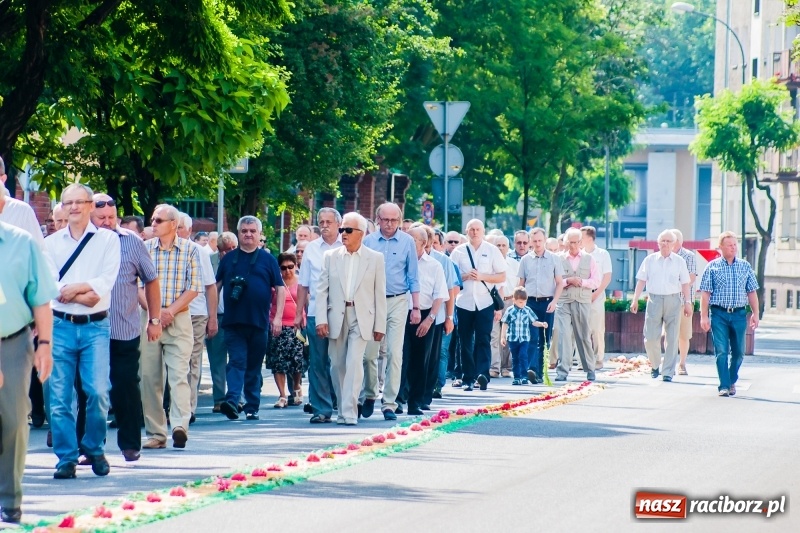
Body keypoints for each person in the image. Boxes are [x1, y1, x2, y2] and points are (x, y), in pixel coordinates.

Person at [44, 183, 121, 479]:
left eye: (80, 202)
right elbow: (51, 284)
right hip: (60, 325)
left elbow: (106, 280)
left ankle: (94, 447)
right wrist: (82, 292)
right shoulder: (51, 244)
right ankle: (66, 458)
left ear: (91, 205)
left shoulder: (108, 240)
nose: (74, 207)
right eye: (69, 203)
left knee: (98, 391)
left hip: (95, 326)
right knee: (60, 397)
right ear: (63, 207)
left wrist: (72, 289)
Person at [0, 185, 58, 524]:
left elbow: (40, 298)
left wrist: (45, 344)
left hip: (12, 341)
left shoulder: (21, 243)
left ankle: (10, 498)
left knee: (13, 418)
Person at [90, 194, 161, 463]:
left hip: (124, 328)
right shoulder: (83, 242)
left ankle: (130, 444)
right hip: (89, 328)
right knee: (90, 388)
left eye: (111, 217)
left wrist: (154, 319)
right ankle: (90, 446)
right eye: (101, 218)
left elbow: (151, 279)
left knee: (126, 386)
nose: (107, 222)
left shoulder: (131, 242)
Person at [140, 204, 202, 450]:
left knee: (178, 374)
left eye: (158, 220)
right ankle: (156, 433)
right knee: (149, 377)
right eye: (152, 219)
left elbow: (194, 287)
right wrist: (156, 314)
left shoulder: (190, 249)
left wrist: (169, 312)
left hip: (179, 318)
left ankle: (179, 426)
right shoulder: (144, 248)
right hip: (148, 319)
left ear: (174, 224)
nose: (153, 224)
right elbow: (136, 285)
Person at [316, 212, 387, 425]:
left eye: (348, 230)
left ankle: (349, 411)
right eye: (342, 230)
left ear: (361, 233)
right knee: (337, 365)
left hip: (361, 316)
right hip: (336, 315)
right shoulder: (330, 256)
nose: (343, 234)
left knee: (355, 362)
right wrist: (321, 319)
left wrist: (380, 325)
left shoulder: (375, 258)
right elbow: (321, 290)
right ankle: (342, 408)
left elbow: (379, 293)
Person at [216, 216, 285, 420]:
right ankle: (232, 400)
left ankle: (252, 406)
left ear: (259, 234)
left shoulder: (268, 259)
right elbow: (215, 287)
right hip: (233, 321)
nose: (248, 234)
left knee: (254, 366)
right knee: (236, 361)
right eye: (244, 231)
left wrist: (278, 318)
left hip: (259, 322)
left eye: (252, 231)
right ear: (238, 233)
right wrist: (211, 315)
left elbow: (280, 288)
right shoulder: (228, 259)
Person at [363, 202, 419, 420]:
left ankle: (389, 403)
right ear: (378, 219)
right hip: (372, 302)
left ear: (399, 220)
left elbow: (413, 276)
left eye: (394, 220)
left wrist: (416, 307)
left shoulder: (407, 242)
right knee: (369, 354)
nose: (389, 224)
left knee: (395, 354)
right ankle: (369, 393)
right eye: (385, 219)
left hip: (398, 300)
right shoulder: (368, 241)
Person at [295, 208, 342, 424]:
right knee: (318, 362)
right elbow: (303, 284)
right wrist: (299, 314)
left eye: (328, 222)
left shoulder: (347, 246)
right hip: (316, 312)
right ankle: (321, 408)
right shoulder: (312, 249)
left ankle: (342, 402)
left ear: (338, 224)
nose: (324, 225)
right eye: (321, 222)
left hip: (342, 312)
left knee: (339, 361)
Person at [699, 231, 759, 397]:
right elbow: (705, 293)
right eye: (729, 245)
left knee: (739, 352)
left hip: (739, 314)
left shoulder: (745, 266)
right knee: (721, 351)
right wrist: (703, 316)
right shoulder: (712, 267)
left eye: (735, 244)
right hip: (719, 314)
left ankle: (731, 379)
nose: (733, 248)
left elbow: (752, 292)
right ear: (721, 247)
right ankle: (724, 386)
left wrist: (755, 313)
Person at [449, 219, 506, 391]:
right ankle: (467, 377)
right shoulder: (458, 252)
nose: (474, 232)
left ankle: (482, 375)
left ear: (483, 231)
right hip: (463, 302)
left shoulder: (492, 250)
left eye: (478, 229)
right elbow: (451, 277)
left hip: (485, 302)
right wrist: (466, 276)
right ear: (466, 231)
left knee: (483, 339)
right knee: (465, 341)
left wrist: (482, 276)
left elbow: (502, 276)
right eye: (471, 229)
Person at [630, 230, 692, 382]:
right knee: (650, 337)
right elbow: (641, 280)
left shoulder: (679, 261)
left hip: (673, 300)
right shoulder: (650, 260)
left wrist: (687, 302)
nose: (665, 243)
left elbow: (685, 283)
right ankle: (655, 364)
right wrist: (635, 299)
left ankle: (668, 372)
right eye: (662, 241)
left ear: (674, 244)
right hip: (654, 300)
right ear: (658, 243)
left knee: (672, 338)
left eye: (668, 241)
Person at [401, 227, 447, 415]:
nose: (408, 243)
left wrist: (430, 319)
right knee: (401, 358)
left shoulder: (434, 265)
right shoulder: (400, 262)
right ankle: (397, 400)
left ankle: (415, 402)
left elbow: (440, 294)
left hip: (425, 314)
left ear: (424, 243)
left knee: (421, 360)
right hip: (401, 313)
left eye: (413, 240)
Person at [177, 213, 218, 422]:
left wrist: (213, 317)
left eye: (179, 227)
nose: (175, 231)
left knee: (192, 360)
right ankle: (172, 404)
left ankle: (188, 408)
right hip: (168, 314)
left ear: (189, 230)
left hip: (195, 313)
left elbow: (210, 286)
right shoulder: (157, 248)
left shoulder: (199, 251)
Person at [517, 227, 563, 384]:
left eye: (540, 241)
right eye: (534, 241)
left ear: (544, 240)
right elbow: (521, 284)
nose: (537, 244)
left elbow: (559, 283)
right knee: (532, 337)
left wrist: (554, 301)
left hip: (547, 302)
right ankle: (532, 369)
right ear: (531, 241)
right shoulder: (525, 260)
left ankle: (540, 372)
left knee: (545, 338)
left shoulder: (554, 259)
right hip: (530, 303)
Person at [553, 228, 598, 382]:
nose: (572, 245)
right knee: (564, 335)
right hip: (564, 301)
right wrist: (568, 281)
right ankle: (562, 371)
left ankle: (590, 369)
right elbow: (554, 281)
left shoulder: (589, 259)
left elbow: (596, 281)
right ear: (565, 242)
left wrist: (582, 282)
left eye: (575, 242)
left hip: (582, 301)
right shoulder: (558, 258)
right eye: (570, 242)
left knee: (583, 335)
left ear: (580, 242)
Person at [267, 253, 306, 408]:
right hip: (277, 326)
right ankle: (282, 395)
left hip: (296, 326)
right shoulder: (275, 282)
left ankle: (296, 386)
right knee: (278, 362)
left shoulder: (301, 281)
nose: (287, 270)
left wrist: (306, 319)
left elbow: (307, 302)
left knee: (297, 360)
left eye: (290, 267)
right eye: (283, 268)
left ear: (295, 266)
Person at [206, 231, 237, 412]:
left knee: (236, 359)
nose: (230, 252)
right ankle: (219, 398)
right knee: (217, 360)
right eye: (226, 249)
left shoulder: (242, 259)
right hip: (216, 316)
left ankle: (235, 397)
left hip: (236, 317)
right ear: (218, 249)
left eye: (233, 248)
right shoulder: (209, 261)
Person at [500, 287, 548, 385]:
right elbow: (505, 323)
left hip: (524, 338)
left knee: (523, 355)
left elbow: (533, 321)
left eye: (525, 302)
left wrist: (541, 324)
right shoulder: (510, 310)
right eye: (520, 302)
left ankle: (524, 376)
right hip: (513, 339)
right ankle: (517, 377)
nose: (523, 304)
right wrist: (502, 337)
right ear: (514, 300)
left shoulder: (527, 310)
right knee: (515, 358)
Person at [580, 226, 612, 369]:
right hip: (581, 294)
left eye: (581, 237)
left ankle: (598, 359)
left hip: (597, 294)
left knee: (597, 329)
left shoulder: (603, 254)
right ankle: (583, 360)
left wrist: (596, 294)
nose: (579, 240)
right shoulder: (579, 254)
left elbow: (607, 277)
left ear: (589, 238)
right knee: (582, 328)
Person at [670, 229, 697, 375]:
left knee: (684, 334)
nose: (668, 243)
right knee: (669, 334)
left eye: (670, 240)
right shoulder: (665, 255)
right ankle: (669, 364)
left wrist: (674, 287)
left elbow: (691, 278)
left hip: (684, 300)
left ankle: (682, 364)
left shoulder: (688, 256)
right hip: (668, 300)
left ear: (678, 242)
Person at [489, 235, 517, 378]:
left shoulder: (514, 264)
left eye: (503, 245)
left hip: (510, 301)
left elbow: (519, 283)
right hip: (493, 302)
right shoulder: (489, 263)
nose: (500, 248)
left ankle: (506, 367)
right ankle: (494, 367)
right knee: (494, 335)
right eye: (498, 245)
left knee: (507, 335)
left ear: (508, 247)